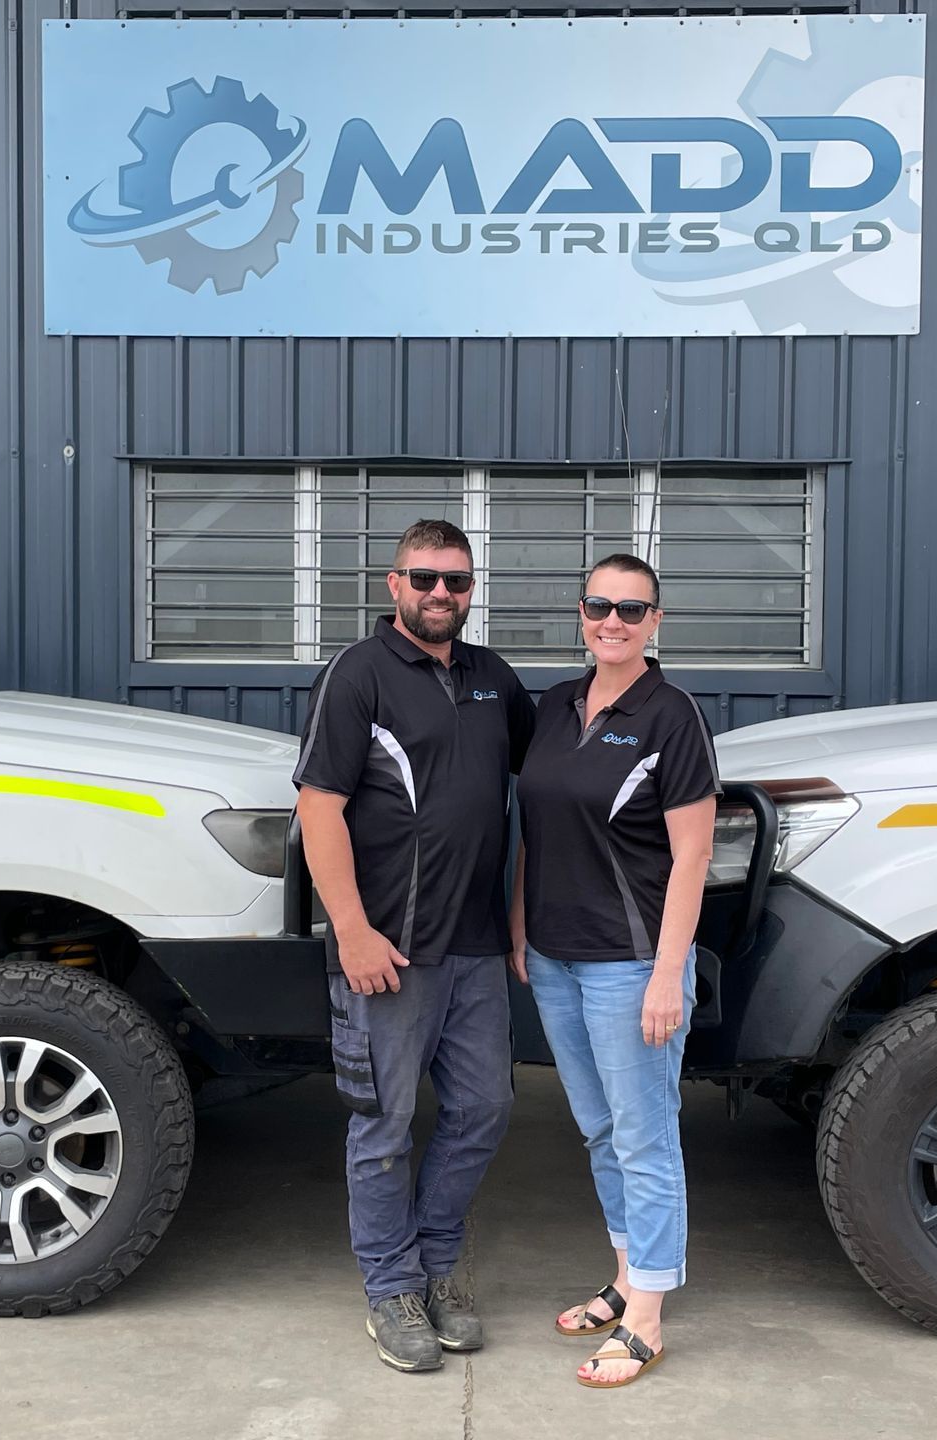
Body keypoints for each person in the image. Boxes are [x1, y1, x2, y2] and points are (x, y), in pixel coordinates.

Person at [294, 518, 538, 1374]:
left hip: (473, 947)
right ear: (392, 584)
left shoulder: (492, 680)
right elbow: (318, 807)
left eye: (458, 582)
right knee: (385, 1126)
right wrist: (352, 930)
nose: (442, 594)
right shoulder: (357, 675)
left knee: (483, 1111)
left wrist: (516, 917)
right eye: (425, 579)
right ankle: (390, 1287)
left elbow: (535, 795)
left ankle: (437, 1265)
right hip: (387, 949)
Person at [509, 553, 720, 1389]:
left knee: (644, 1135)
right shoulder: (556, 706)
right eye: (600, 605)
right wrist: (525, 925)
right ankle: (629, 1275)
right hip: (556, 957)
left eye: (633, 611)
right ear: (582, 612)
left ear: (655, 623)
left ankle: (649, 1316)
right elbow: (535, 827)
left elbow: (693, 854)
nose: (614, 622)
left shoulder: (672, 716)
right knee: (600, 1130)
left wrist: (670, 973)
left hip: (631, 965)